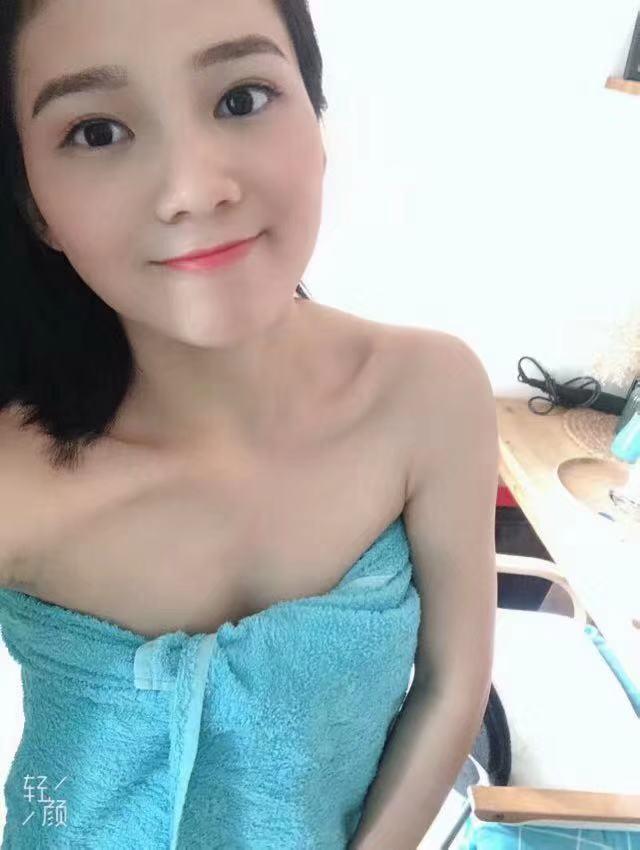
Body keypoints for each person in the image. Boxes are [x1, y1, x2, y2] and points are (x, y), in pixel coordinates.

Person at [0, 1, 498, 848]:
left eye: (241, 99)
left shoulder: (430, 394)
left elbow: (452, 685)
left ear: (317, 115)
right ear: (34, 203)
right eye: (95, 132)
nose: (194, 189)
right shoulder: (15, 470)